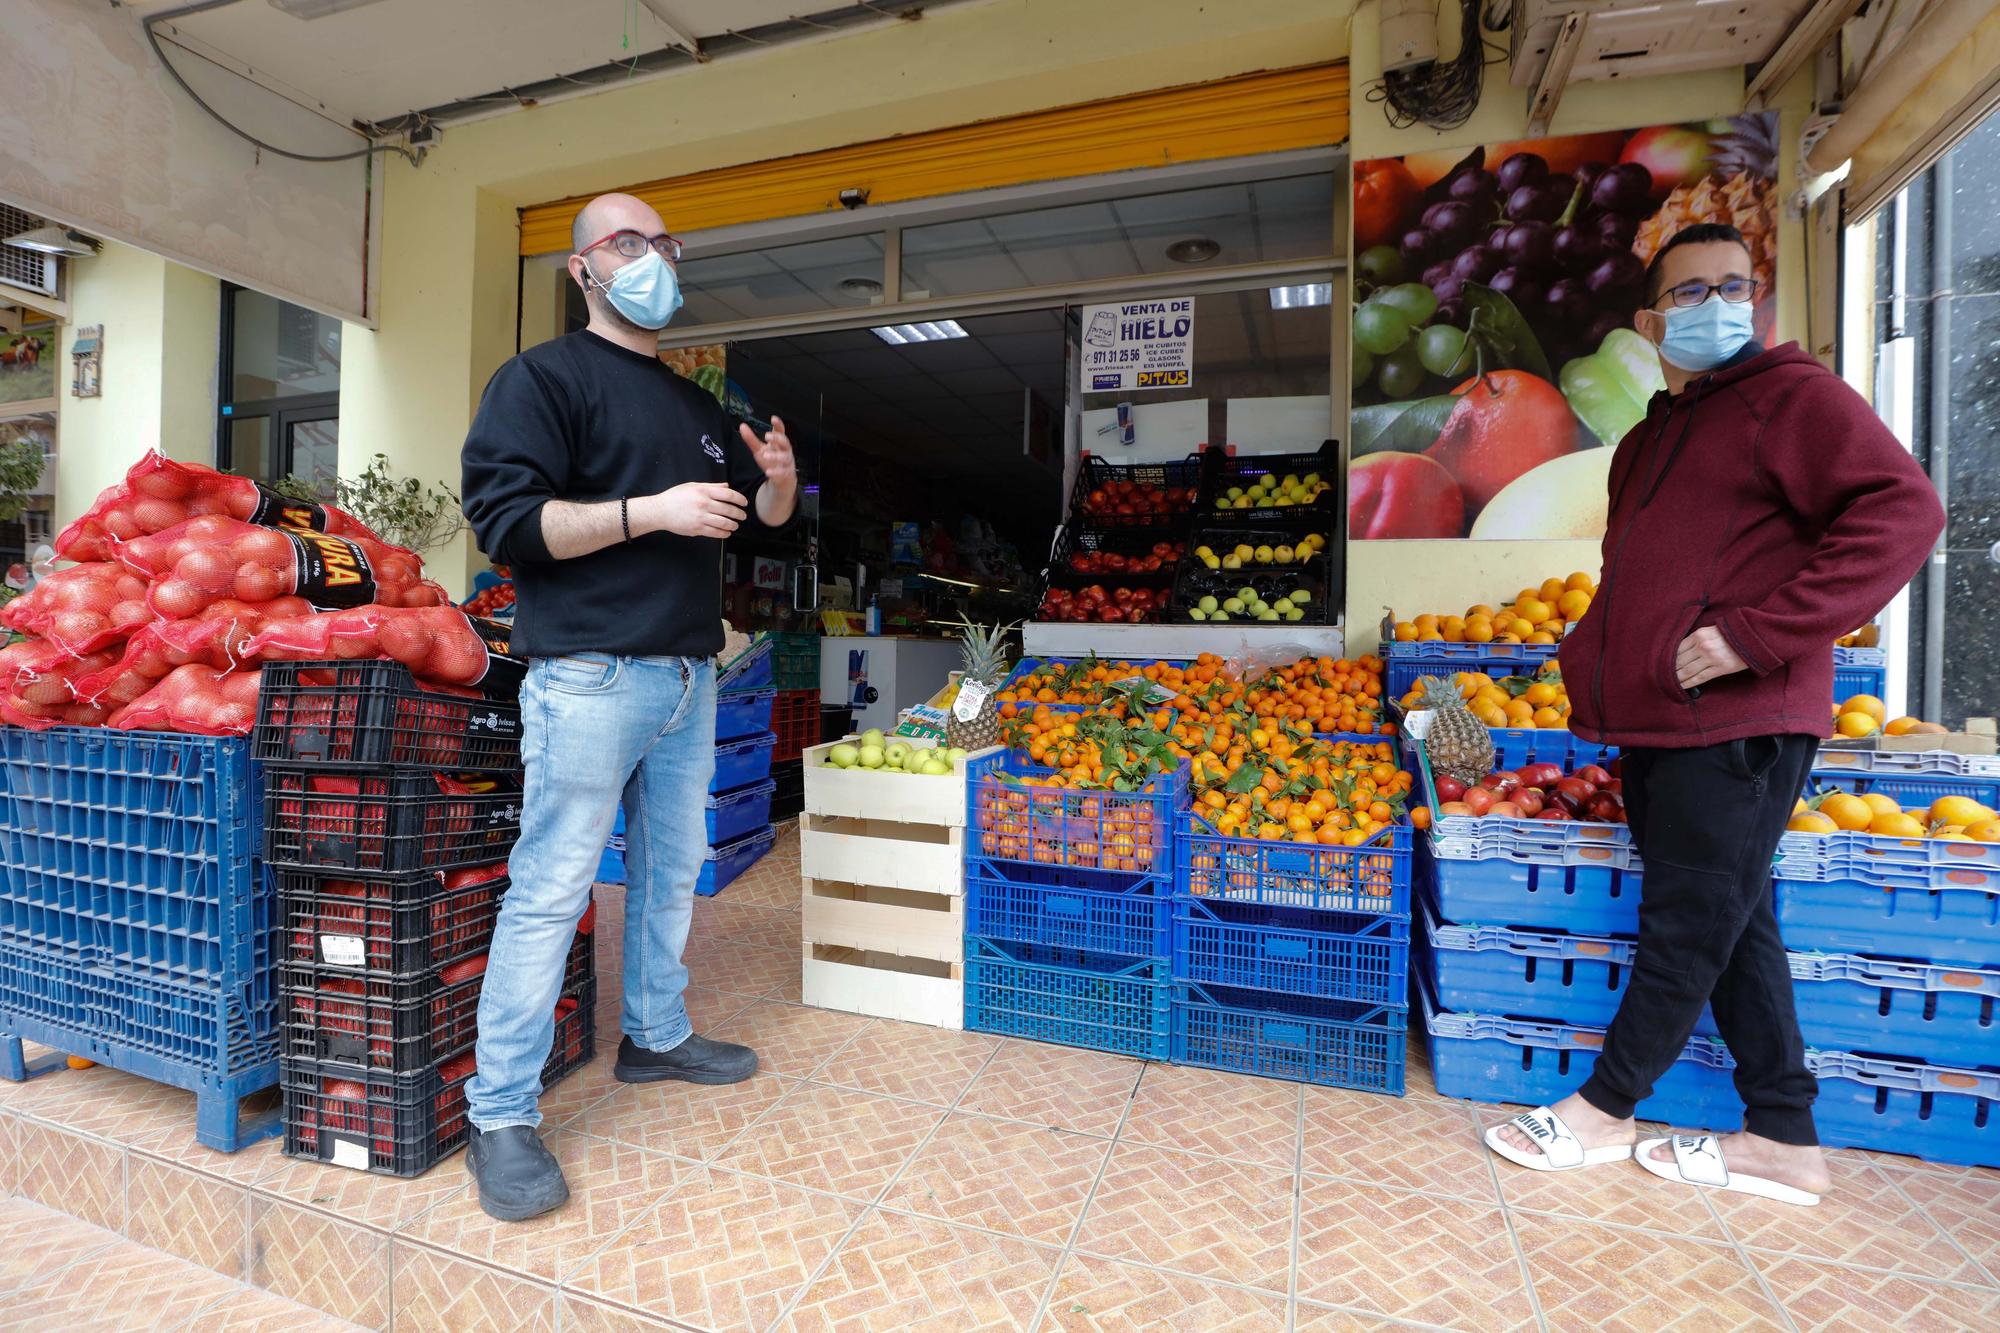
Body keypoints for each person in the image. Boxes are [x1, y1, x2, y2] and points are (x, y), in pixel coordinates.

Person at [1484, 223, 1945, 1207]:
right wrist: (1594, 661)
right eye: (1689, 294)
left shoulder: (1794, 399)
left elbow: (1901, 512)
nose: (1715, 307)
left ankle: (1606, 1108)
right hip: (1662, 722)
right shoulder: (1649, 436)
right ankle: (1781, 1132)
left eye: (1731, 286)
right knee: (1735, 923)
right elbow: (1638, 576)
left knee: (1686, 920)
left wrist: (1756, 636)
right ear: (1649, 322)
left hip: (1736, 721)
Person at [458, 192, 798, 1221]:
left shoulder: (695, 406)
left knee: (669, 872)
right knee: (553, 885)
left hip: (690, 676)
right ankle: (499, 1112)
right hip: (590, 675)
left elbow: (761, 525)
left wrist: (778, 483)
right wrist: (648, 512)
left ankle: (654, 1035)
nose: (650, 256)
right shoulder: (539, 381)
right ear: (583, 271)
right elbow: (506, 524)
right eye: (624, 242)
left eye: (661, 242)